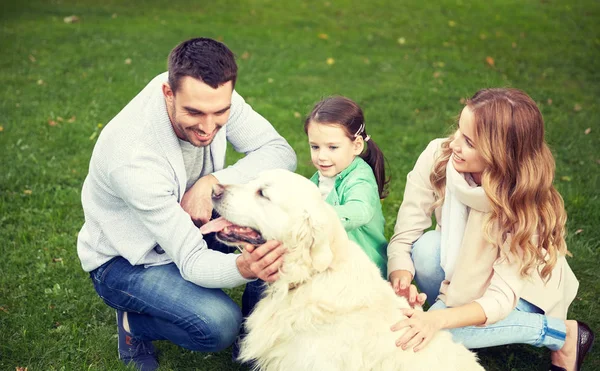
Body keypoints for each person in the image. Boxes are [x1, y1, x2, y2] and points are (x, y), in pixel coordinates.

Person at [77, 37, 297, 371]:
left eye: (220, 112)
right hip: (129, 260)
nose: (208, 128)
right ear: (169, 93)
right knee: (218, 323)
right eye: (194, 113)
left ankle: (254, 340)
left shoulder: (208, 93)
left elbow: (280, 152)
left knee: (275, 227)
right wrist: (245, 268)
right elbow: (192, 259)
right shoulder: (133, 158)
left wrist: (213, 182)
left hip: (195, 224)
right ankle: (134, 325)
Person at [387, 88, 594, 370]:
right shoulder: (440, 155)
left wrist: (437, 319)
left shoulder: (523, 201)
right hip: (465, 269)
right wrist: (400, 273)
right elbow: (407, 228)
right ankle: (455, 311)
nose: (454, 145)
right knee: (424, 249)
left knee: (441, 334)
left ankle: (561, 333)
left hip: (523, 292)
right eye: (459, 131)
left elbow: (500, 298)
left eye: (470, 142)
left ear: (503, 154)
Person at [304, 96, 388, 278]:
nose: (321, 156)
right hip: (332, 262)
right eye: (315, 147)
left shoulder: (360, 178)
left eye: (332, 147)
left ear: (356, 145)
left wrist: (314, 216)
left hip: (363, 268)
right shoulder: (320, 177)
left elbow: (359, 210)